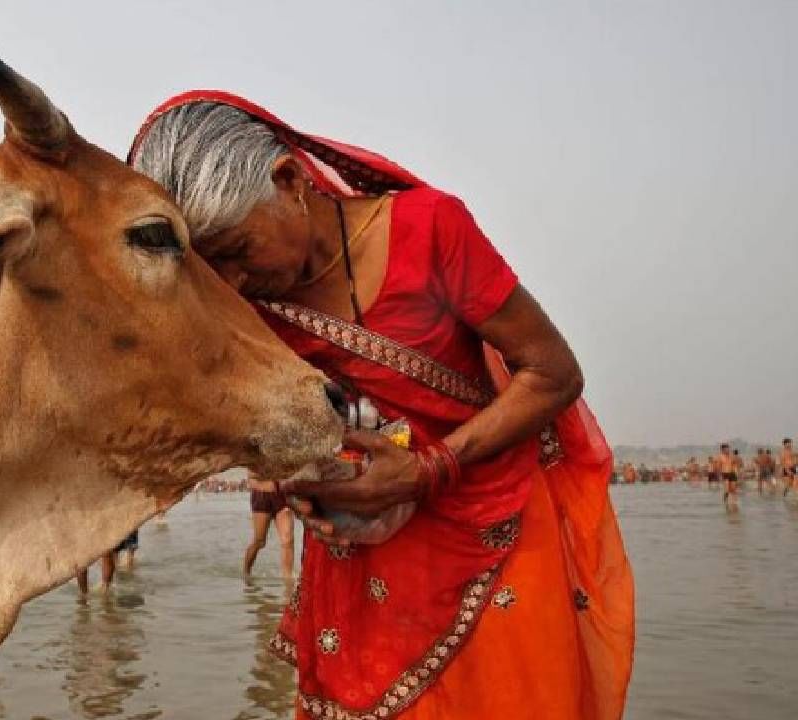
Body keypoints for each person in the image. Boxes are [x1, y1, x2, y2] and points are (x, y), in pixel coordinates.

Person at [130, 92, 634, 720]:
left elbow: (554, 373)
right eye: (213, 270)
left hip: (490, 528)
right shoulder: (249, 309)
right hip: (359, 559)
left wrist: (427, 471)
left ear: (288, 181)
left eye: (236, 251)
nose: (232, 283)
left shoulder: (429, 231)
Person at [244, 474, 296, 581]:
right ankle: (246, 573)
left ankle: (288, 580)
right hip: (262, 493)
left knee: (288, 541)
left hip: (282, 492)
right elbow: (250, 476)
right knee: (259, 541)